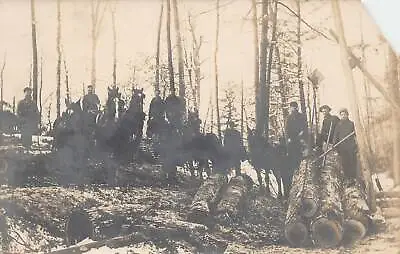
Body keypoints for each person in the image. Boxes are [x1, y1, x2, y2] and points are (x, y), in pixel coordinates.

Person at [284, 101, 308, 191]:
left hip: (300, 138)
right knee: (290, 153)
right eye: (291, 107)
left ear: (297, 108)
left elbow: (305, 126)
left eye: (294, 107)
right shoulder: (288, 118)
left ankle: (300, 168)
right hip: (291, 139)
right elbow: (286, 129)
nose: (293, 109)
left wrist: (302, 133)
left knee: (301, 153)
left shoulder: (301, 116)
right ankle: (292, 169)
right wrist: (288, 138)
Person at [333, 108, 358, 183]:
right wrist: (335, 145)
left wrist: (356, 146)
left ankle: (353, 178)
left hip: (351, 146)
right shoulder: (339, 125)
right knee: (345, 162)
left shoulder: (351, 124)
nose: (343, 116)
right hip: (342, 147)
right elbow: (335, 135)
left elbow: (356, 135)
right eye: (342, 115)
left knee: (352, 161)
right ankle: (347, 178)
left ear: (347, 115)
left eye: (345, 114)